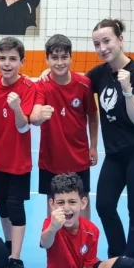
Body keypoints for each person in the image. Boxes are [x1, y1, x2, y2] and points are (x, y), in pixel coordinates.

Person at [88, 19, 134, 268]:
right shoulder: (99, 74)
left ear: (120, 39)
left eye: (107, 41)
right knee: (104, 205)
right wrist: (47, 74)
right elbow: (73, 84)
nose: (102, 48)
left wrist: (128, 90)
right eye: (97, 44)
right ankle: (118, 257)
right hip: (116, 155)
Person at [0, 36, 36, 268]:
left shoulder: (28, 88)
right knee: (1, 206)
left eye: (13, 59)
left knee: (15, 207)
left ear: (22, 62)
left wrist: (16, 108)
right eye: (2, 58)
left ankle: (16, 259)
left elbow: (24, 127)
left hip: (18, 162)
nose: (7, 63)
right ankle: (9, 244)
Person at [30, 34, 99, 219]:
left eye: (64, 57)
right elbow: (35, 116)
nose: (59, 62)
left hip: (79, 158)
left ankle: (85, 235)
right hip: (51, 159)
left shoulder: (84, 84)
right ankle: (54, 238)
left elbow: (93, 115)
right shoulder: (42, 85)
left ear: (71, 58)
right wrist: (38, 117)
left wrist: (93, 146)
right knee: (54, 204)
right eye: (54, 57)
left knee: (82, 201)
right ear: (47, 59)